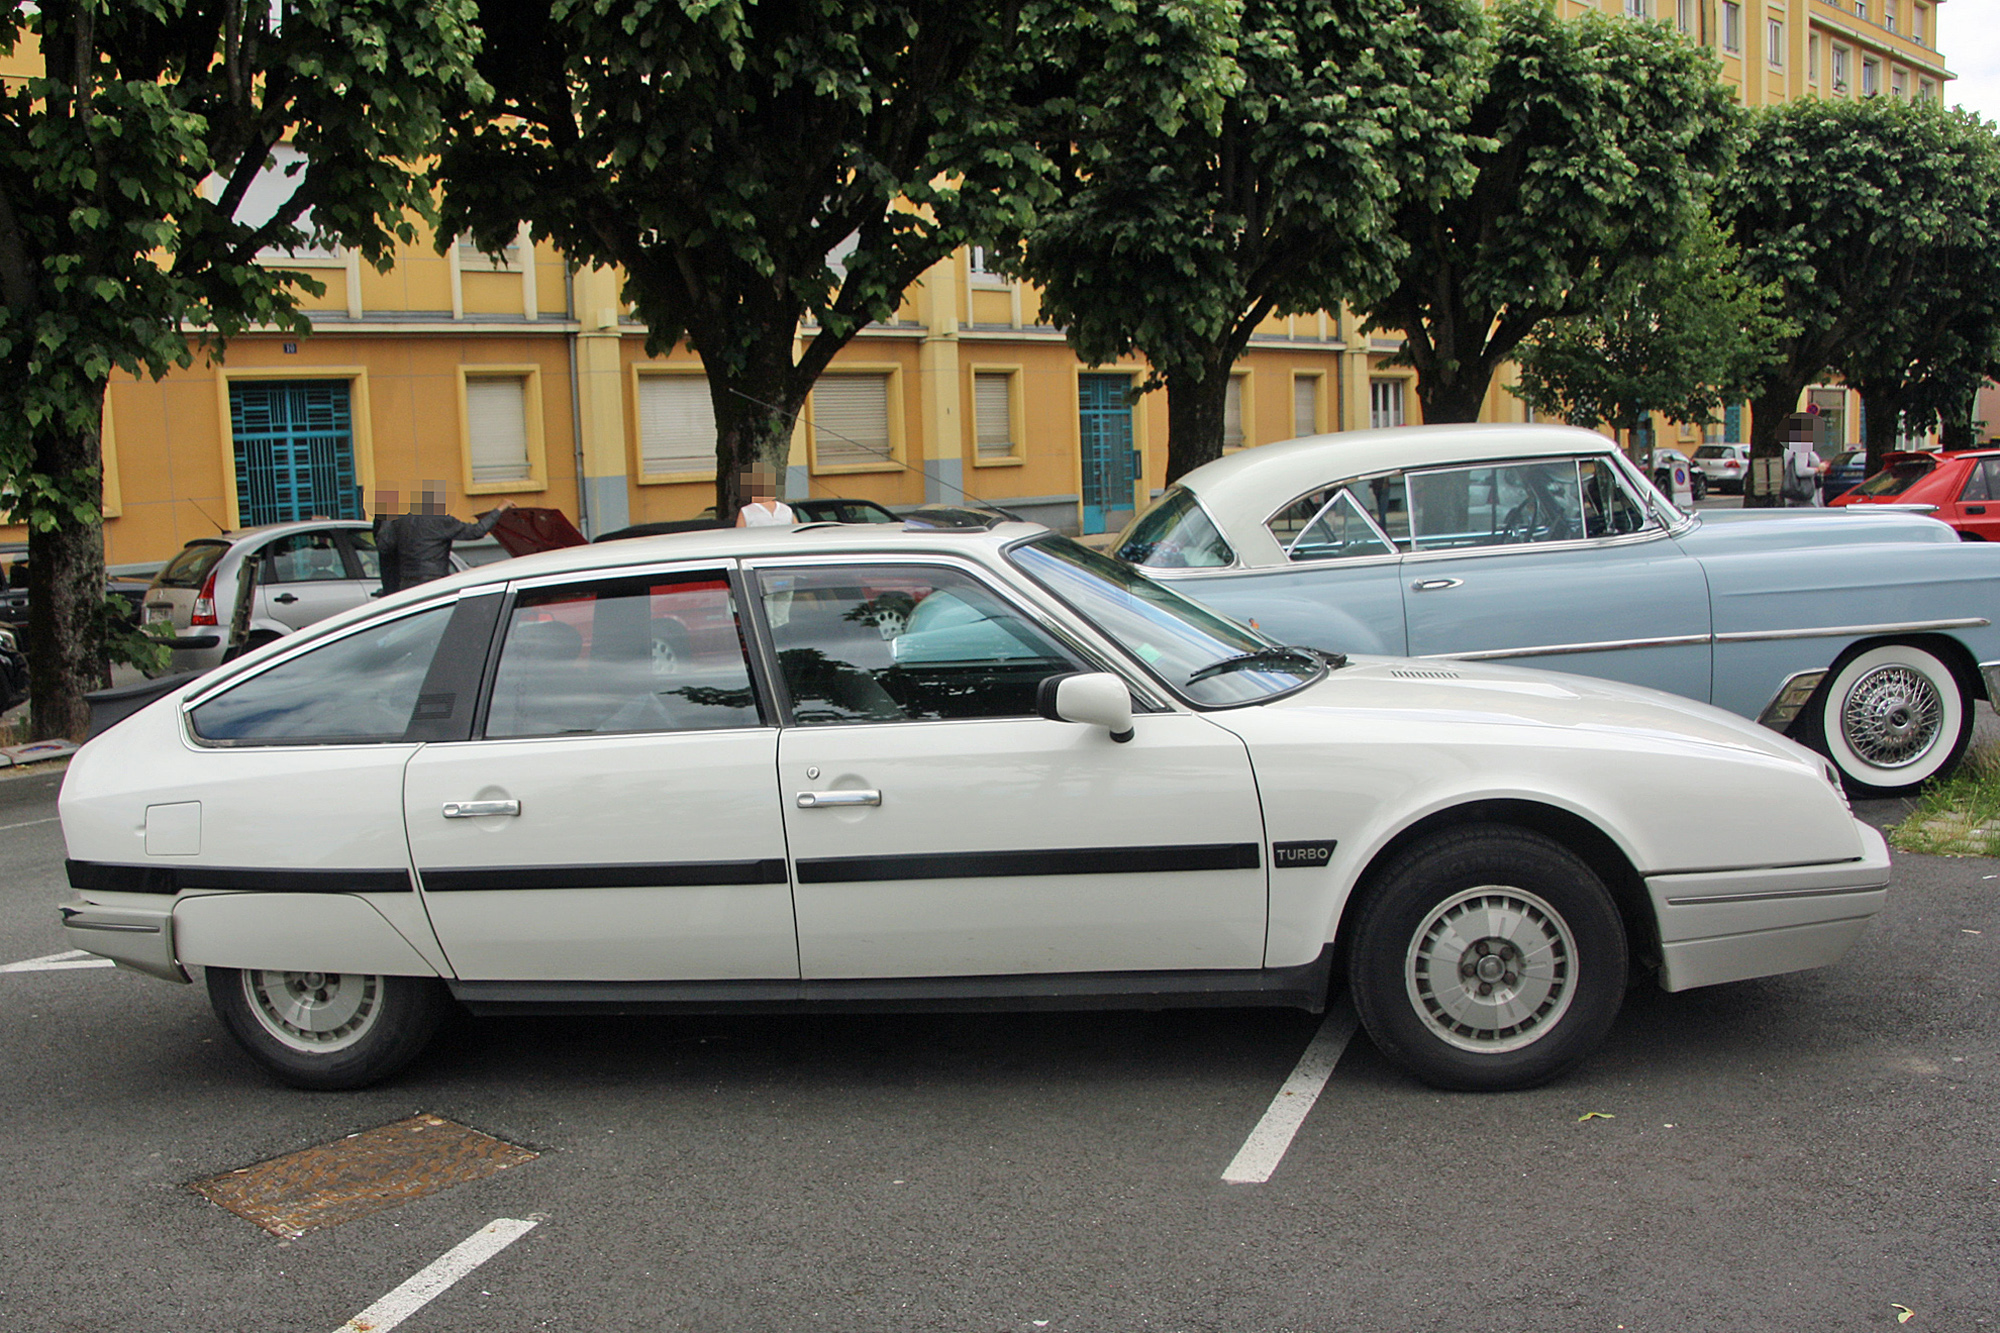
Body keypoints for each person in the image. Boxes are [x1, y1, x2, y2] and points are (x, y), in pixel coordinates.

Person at [379, 481, 514, 591]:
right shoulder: (440, 520)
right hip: (434, 582)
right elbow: (476, 531)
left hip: (406, 584)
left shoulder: (400, 519)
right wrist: (499, 509)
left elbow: (385, 546)